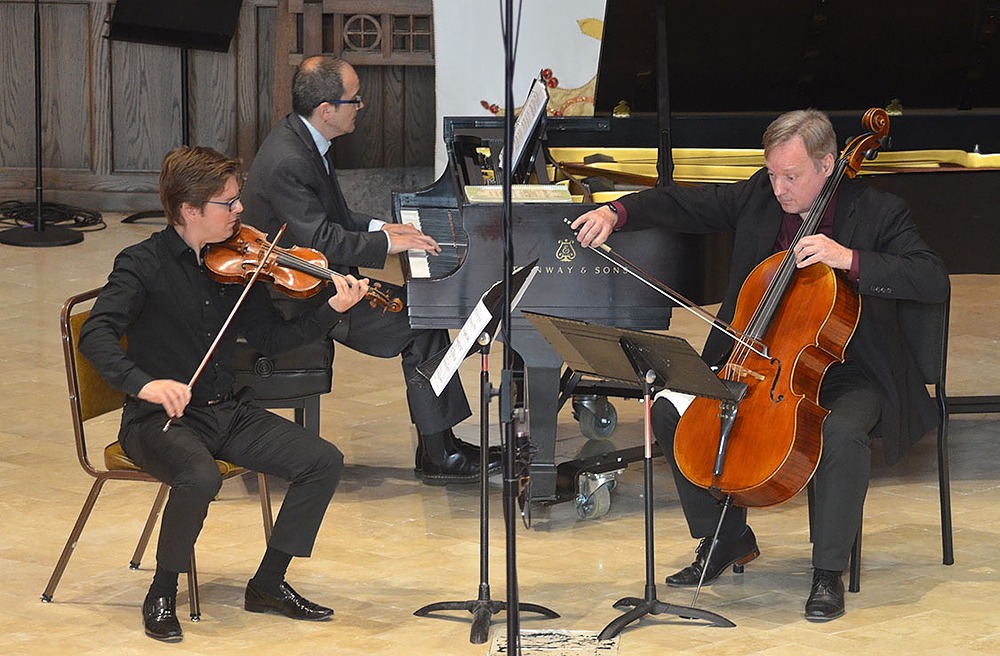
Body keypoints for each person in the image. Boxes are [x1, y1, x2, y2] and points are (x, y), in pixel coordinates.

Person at [571, 109, 948, 622]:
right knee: (672, 411)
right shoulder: (759, 196)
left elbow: (931, 278)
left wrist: (849, 259)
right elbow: (685, 202)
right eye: (772, 173)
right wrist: (617, 211)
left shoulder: (880, 212)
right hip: (757, 361)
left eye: (790, 177)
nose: (778, 188)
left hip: (850, 368)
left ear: (828, 164)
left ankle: (827, 572)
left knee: (839, 435)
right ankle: (725, 538)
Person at [79, 146, 370, 642]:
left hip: (225, 412)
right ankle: (163, 590)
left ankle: (268, 584)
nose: (241, 211)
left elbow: (271, 341)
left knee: (322, 461)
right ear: (190, 210)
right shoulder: (141, 263)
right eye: (229, 203)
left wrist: (331, 311)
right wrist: (145, 383)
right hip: (156, 421)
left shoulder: (238, 265)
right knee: (198, 477)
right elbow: (96, 335)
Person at [241, 55, 500, 486]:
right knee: (420, 323)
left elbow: (333, 216)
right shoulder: (290, 160)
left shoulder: (304, 140)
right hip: (298, 296)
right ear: (326, 110)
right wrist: (388, 244)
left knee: (422, 313)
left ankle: (438, 447)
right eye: (354, 99)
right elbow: (319, 242)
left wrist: (384, 227)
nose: (360, 106)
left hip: (319, 280)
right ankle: (440, 454)